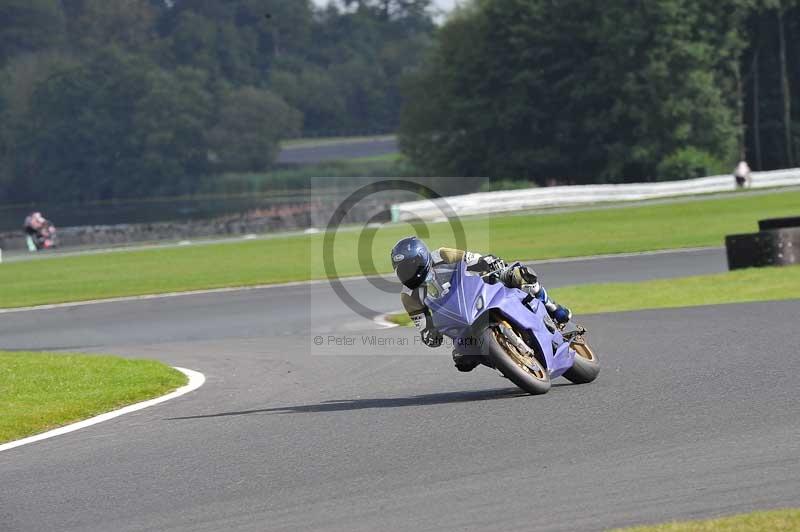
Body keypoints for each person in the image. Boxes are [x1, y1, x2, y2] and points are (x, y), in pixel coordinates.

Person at [391, 236, 572, 372]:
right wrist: (429, 334)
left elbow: (471, 259)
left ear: (422, 258)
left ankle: (552, 307)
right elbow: (424, 326)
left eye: (411, 265)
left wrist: (486, 262)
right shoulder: (409, 296)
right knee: (462, 359)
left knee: (519, 274)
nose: (408, 273)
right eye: (402, 270)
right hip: (459, 320)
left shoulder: (442, 255)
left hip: (478, 288)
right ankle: (505, 360)